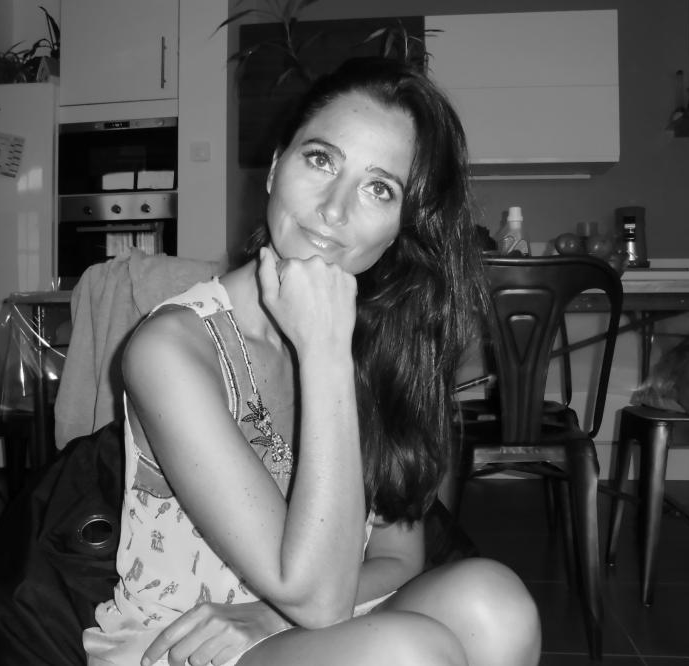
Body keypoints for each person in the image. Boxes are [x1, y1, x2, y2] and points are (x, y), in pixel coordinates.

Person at [83, 56, 541, 666]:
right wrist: (324, 352)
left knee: (496, 601)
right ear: (276, 166)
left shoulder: (384, 341)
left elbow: (397, 556)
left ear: (401, 227)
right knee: (407, 653)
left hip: (303, 623)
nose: (334, 208)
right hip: (187, 645)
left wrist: (269, 616)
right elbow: (317, 599)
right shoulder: (172, 348)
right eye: (321, 159)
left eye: (379, 188)